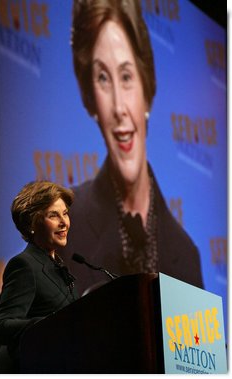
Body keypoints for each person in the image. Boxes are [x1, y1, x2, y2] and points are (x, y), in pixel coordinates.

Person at [64, 0, 204, 295]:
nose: (118, 107)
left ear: (147, 88)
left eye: (126, 77)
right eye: (103, 78)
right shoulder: (65, 224)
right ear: (91, 101)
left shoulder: (187, 254)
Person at [0, 181, 78, 373]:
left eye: (65, 213)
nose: (64, 222)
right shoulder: (24, 265)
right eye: (53, 215)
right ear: (32, 224)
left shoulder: (59, 268)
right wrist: (51, 325)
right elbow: (0, 326)